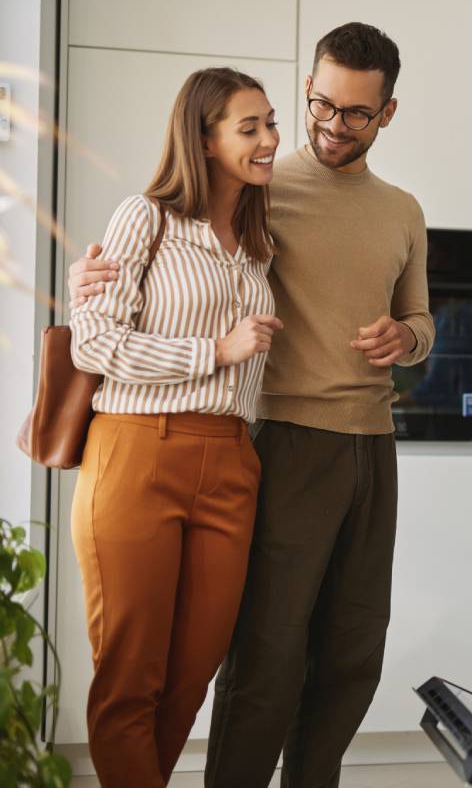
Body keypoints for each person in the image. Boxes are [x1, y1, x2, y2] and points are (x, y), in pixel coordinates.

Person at [68, 22, 435, 787]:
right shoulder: (243, 193)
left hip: (351, 445)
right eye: (318, 105)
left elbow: (423, 319)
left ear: (387, 114)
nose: (329, 126)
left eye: (356, 114)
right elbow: (141, 285)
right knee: (259, 657)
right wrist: (88, 282)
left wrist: (407, 336)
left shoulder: (378, 212)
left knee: (348, 652)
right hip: (268, 439)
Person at [69, 67, 282, 787]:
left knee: (191, 677)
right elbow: (91, 344)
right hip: (137, 452)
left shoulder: (257, 240)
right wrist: (215, 350)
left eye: (270, 124)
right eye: (249, 128)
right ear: (204, 137)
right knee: (132, 679)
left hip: (230, 461)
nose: (269, 140)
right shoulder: (146, 217)